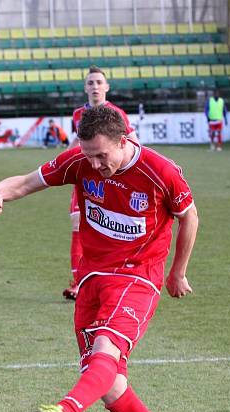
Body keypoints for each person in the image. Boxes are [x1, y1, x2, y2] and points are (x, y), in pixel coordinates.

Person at [0, 105, 198, 412]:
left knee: (106, 349)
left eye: (103, 155)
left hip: (137, 277)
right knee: (111, 384)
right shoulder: (80, 161)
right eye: (89, 155)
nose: (95, 164)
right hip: (92, 280)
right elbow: (28, 182)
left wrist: (176, 272)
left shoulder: (159, 171)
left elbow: (189, 215)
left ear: (124, 141)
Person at [64, 66, 139, 301]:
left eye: (99, 82)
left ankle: (114, 277)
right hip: (85, 181)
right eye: (91, 83)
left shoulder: (117, 114)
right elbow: (76, 144)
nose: (95, 86)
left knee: (108, 230)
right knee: (77, 225)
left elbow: (134, 143)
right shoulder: (78, 115)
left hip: (109, 181)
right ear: (85, 87)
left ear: (106, 87)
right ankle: (79, 284)